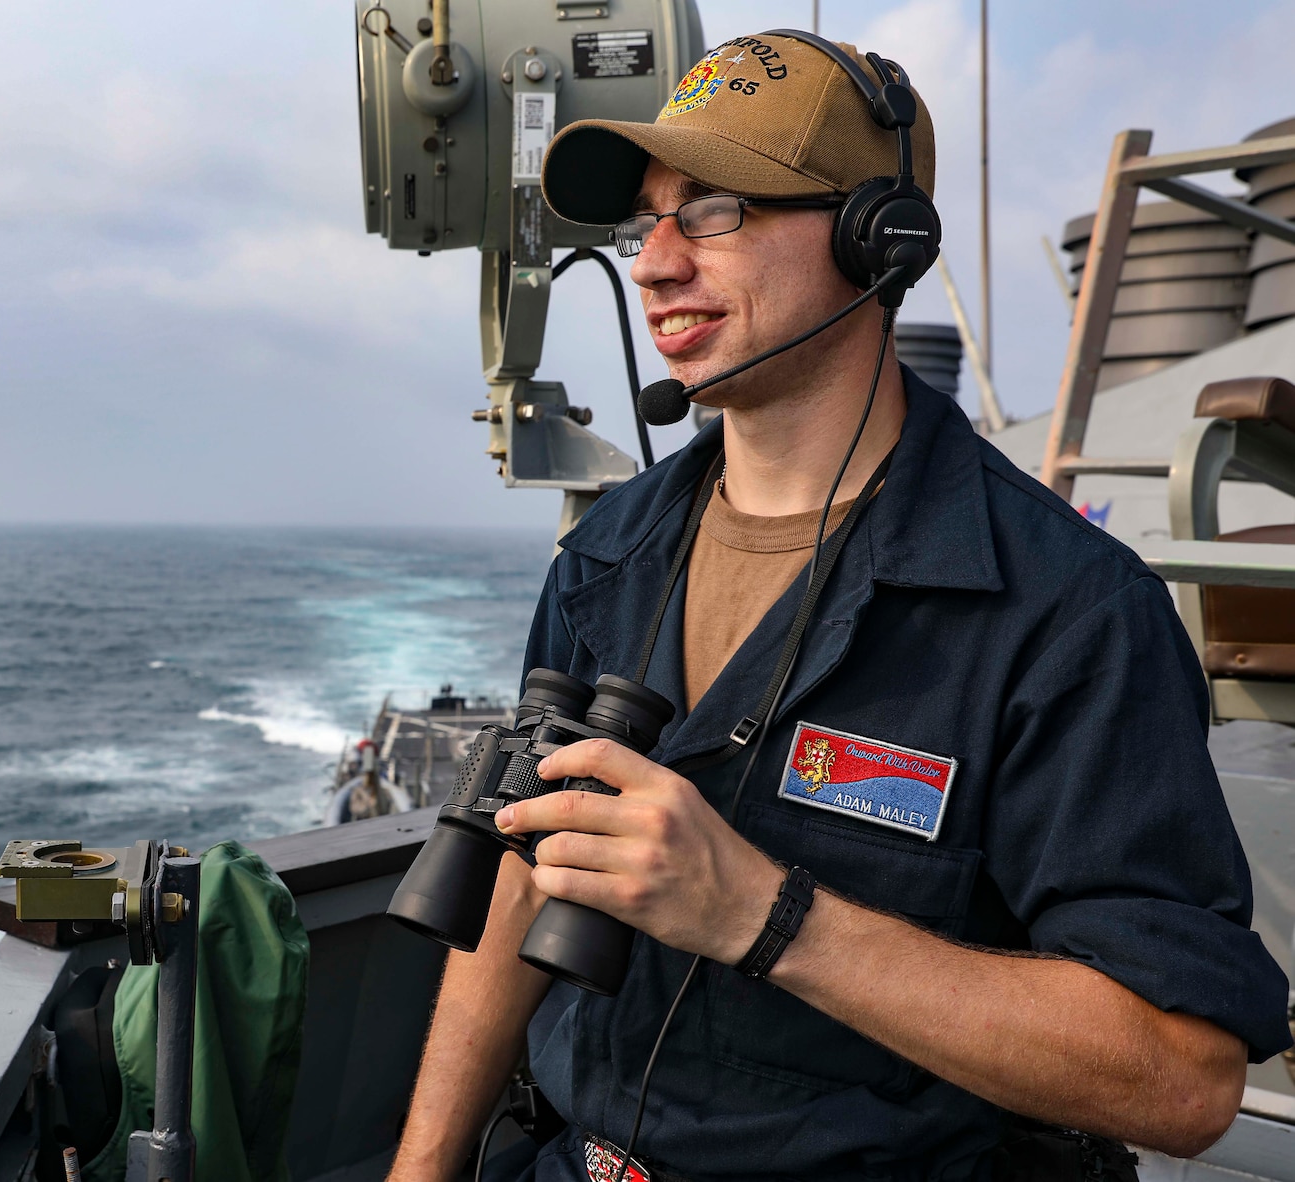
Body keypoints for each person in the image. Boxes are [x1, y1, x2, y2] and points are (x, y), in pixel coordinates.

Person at [387, 32, 1292, 1182]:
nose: (654, 263)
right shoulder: (607, 552)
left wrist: (761, 914)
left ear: (880, 240)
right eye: (642, 222)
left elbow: (1180, 1077)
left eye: (711, 209)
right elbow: (526, 873)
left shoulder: (1066, 613)